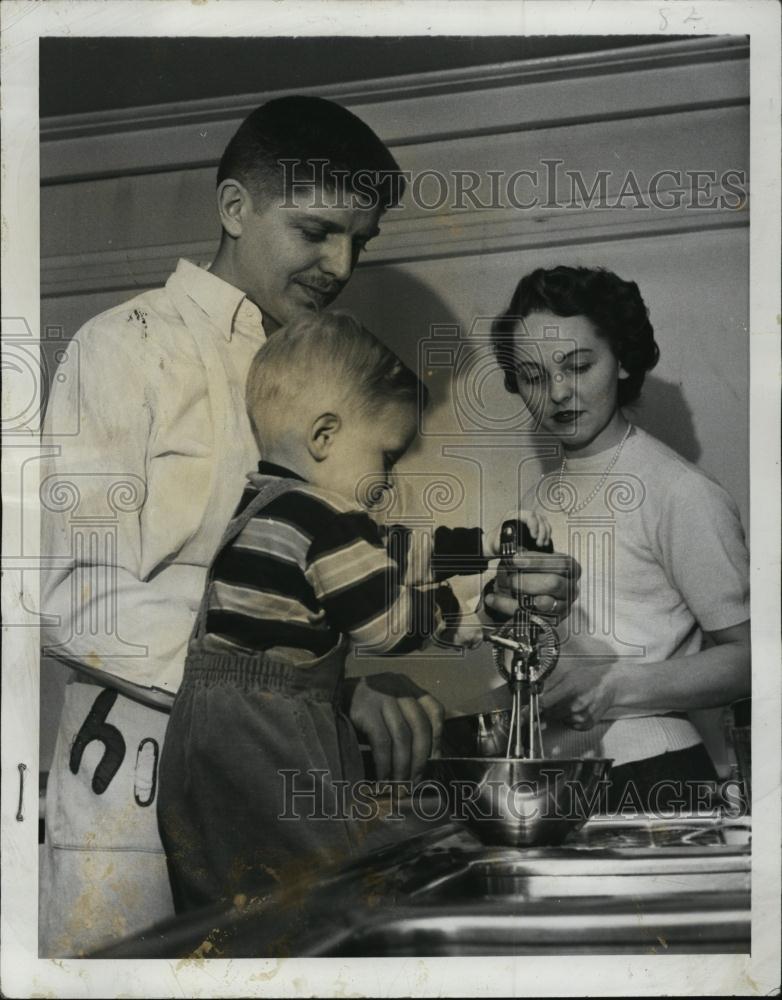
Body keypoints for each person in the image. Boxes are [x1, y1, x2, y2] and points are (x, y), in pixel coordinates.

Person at [40, 95, 575, 955]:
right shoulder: (126, 346)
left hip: (278, 783)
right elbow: (73, 599)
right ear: (234, 208)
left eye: (359, 242)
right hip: (128, 794)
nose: (339, 262)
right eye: (317, 230)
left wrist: (488, 603)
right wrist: (320, 691)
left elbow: (324, 576)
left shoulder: (314, 371)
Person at [157, 310, 554, 911]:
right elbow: (388, 627)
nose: (388, 481)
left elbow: (395, 553)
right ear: (324, 437)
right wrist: (476, 616)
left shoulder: (266, 506)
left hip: (201, 740)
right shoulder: (327, 520)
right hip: (273, 732)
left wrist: (487, 547)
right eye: (386, 456)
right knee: (321, 893)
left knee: (231, 903)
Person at [490, 265, 750, 812]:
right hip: (550, 776)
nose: (558, 392)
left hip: (653, 775)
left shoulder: (679, 491)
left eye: (578, 366)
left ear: (623, 360)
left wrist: (616, 687)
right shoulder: (539, 500)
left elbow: (752, 658)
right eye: (534, 376)